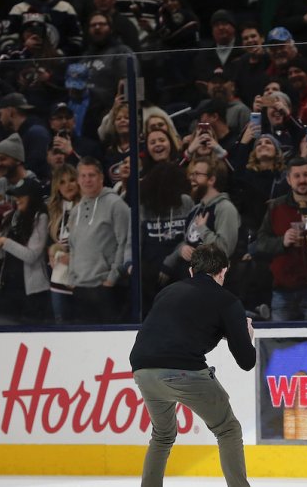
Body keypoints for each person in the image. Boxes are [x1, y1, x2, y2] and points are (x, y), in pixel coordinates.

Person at [129, 243, 255, 487]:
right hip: (183, 371)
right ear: (223, 272)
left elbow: (180, 328)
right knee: (227, 429)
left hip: (142, 369)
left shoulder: (167, 292)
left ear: (191, 271)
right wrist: (244, 335)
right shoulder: (227, 301)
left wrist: (222, 332)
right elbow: (247, 361)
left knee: (162, 435)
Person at [256, 158, 307, 321]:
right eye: (297, 176)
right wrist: (282, 241)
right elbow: (261, 243)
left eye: (306, 175)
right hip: (282, 289)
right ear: (288, 180)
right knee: (280, 344)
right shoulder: (276, 206)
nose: (302, 180)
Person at [67, 157, 130, 323]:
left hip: (105, 288)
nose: (87, 180)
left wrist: (112, 278)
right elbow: (72, 246)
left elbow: (125, 242)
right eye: (83, 175)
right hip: (80, 288)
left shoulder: (116, 205)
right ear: (78, 179)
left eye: (92, 175)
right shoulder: (75, 210)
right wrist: (72, 278)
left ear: (101, 177)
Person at [139, 163, 193, 316]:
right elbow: (135, 242)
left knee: (188, 272)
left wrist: (169, 262)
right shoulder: (144, 206)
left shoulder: (186, 201)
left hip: (177, 258)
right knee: (142, 276)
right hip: (151, 262)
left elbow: (190, 237)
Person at [0, 179, 51, 324]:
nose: (17, 199)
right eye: (16, 195)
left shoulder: (41, 217)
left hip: (32, 293)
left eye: (21, 195)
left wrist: (4, 242)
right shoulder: (11, 217)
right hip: (8, 289)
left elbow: (31, 255)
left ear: (32, 196)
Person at [46, 164, 80, 323]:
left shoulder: (87, 206)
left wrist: (73, 257)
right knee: (61, 323)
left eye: (72, 180)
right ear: (57, 187)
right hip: (58, 276)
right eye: (63, 182)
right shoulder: (53, 210)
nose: (68, 185)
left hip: (82, 275)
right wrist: (52, 251)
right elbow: (51, 242)